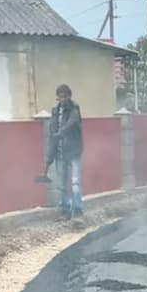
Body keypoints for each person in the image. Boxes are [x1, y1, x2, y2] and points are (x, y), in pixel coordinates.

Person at [44, 84, 84, 223]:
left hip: (73, 152)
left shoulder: (74, 109)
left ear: (69, 96)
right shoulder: (55, 113)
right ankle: (65, 211)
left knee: (75, 183)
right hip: (60, 154)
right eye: (60, 97)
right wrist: (49, 157)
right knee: (62, 185)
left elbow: (72, 123)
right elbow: (51, 136)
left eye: (64, 96)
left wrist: (61, 132)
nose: (62, 99)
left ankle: (78, 211)